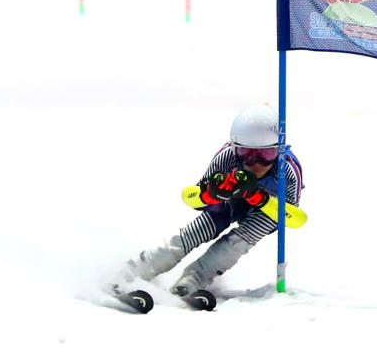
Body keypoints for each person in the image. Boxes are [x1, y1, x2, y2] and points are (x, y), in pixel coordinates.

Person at [113, 103, 303, 297]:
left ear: (279, 150)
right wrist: (210, 194)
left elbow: (295, 219)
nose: (256, 164)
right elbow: (190, 198)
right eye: (246, 154)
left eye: (266, 155)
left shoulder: (287, 170)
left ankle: (193, 280)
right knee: (202, 227)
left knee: (238, 242)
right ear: (235, 149)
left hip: (268, 210)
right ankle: (135, 271)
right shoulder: (227, 157)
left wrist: (259, 198)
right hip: (232, 201)